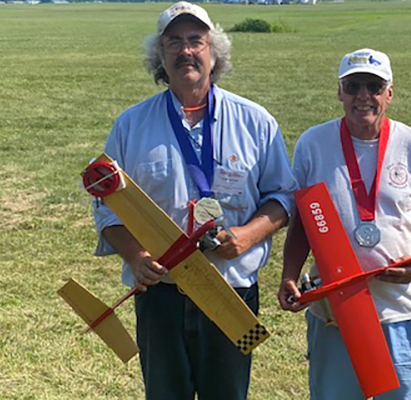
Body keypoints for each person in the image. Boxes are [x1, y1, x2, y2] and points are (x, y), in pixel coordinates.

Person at [92, 2, 297, 399]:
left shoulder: (256, 122)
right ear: (160, 56)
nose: (186, 51)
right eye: (174, 43)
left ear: (213, 51)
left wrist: (248, 235)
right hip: (160, 294)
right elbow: (106, 208)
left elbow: (283, 196)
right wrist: (135, 257)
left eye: (195, 41)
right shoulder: (130, 125)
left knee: (229, 393)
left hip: (231, 290)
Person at [278, 48, 411, 400]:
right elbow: (302, 222)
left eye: (374, 86)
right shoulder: (313, 144)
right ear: (339, 91)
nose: (363, 96)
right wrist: (290, 275)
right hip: (335, 310)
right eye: (353, 86)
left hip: (400, 309)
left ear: (390, 92)